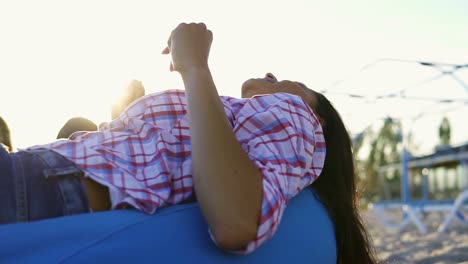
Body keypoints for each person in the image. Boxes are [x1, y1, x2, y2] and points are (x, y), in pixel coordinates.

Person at [0, 23, 376, 263]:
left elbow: (236, 221)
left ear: (318, 119)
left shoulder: (296, 115)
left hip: (46, 184)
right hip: (42, 178)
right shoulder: (236, 127)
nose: (271, 75)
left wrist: (194, 64)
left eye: (296, 84)